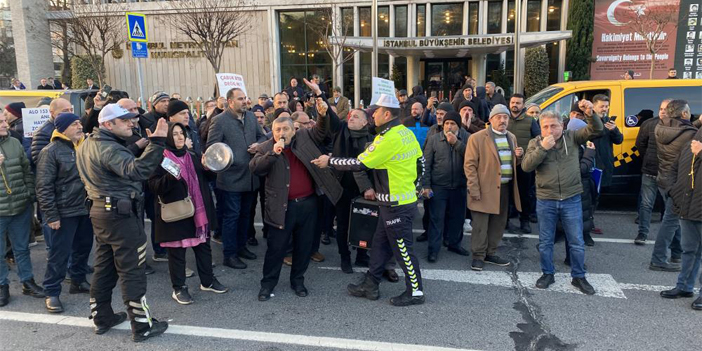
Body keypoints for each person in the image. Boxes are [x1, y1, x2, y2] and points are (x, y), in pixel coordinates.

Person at [311, 93, 426, 307]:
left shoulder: (388, 139)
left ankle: (416, 291)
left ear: (387, 113)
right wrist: (416, 187)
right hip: (396, 202)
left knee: (403, 250)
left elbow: (359, 163)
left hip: (395, 205)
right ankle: (371, 283)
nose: (373, 116)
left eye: (376, 112)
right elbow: (421, 162)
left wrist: (330, 161)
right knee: (380, 245)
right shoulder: (405, 133)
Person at [76, 104, 169, 341]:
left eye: (132, 119)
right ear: (108, 124)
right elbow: (136, 170)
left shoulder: (90, 143)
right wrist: (158, 142)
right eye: (125, 120)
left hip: (101, 212)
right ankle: (142, 326)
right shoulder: (108, 148)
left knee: (105, 266)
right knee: (132, 270)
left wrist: (139, 145)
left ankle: (102, 317)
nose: (132, 123)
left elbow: (114, 158)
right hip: (120, 215)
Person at [250, 82, 342, 301]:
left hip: (308, 205)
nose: (282, 133)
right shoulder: (266, 147)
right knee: (276, 250)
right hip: (281, 207)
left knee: (303, 248)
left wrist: (321, 108)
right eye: (278, 130)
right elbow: (255, 168)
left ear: (294, 129)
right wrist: (272, 153)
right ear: (272, 132)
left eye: (286, 129)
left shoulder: (304, 138)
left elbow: (321, 128)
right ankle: (267, 284)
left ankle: (297, 281)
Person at [521, 101, 603, 296]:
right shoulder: (536, 142)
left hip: (571, 198)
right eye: (546, 126)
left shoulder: (573, 138)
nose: (550, 130)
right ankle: (547, 273)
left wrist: (590, 113)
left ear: (562, 125)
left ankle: (579, 276)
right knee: (546, 240)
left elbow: (596, 129)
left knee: (576, 240)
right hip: (546, 199)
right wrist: (543, 148)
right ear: (541, 128)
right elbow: (526, 166)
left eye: (554, 126)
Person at [149, 123, 228, 305]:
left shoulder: (192, 155)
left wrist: (209, 169)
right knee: (177, 253)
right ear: (168, 137)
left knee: (203, 247)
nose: (179, 137)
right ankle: (179, 288)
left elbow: (207, 179)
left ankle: (208, 281)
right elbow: (153, 186)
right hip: (176, 212)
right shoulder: (159, 158)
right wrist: (170, 178)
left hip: (198, 211)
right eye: (174, 134)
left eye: (181, 133)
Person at [36, 113, 93, 313]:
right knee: (59, 254)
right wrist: (51, 216)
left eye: (79, 123)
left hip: (84, 209)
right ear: (62, 129)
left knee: (83, 248)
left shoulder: (84, 146)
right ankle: (51, 291)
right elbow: (43, 186)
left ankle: (77, 281)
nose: (79, 126)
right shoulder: (50, 151)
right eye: (74, 124)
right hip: (63, 212)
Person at [206, 88, 266, 269]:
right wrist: (229, 159)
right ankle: (229, 254)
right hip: (231, 178)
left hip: (250, 176)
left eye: (245, 98)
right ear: (230, 101)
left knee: (246, 216)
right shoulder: (219, 121)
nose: (245, 101)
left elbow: (262, 135)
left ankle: (241, 248)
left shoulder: (250, 117)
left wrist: (259, 145)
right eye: (240, 99)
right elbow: (212, 148)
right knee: (231, 216)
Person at [465, 105, 522, 271]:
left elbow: (512, 163)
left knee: (498, 223)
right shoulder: (477, 138)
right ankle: (478, 255)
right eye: (499, 117)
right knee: (481, 224)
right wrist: (473, 189)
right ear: (490, 120)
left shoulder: (511, 137)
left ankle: (491, 252)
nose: (503, 120)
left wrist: (519, 157)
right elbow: (469, 165)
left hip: (504, 187)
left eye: (505, 117)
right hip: (483, 188)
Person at [327, 108, 381, 273]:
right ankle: (345, 257)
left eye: (356, 116)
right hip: (342, 188)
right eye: (350, 115)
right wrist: (319, 95)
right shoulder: (340, 132)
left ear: (365, 122)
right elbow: (330, 116)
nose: (351, 118)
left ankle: (362, 255)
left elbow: (373, 167)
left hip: (364, 191)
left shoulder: (373, 140)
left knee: (365, 223)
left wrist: (369, 187)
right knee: (343, 224)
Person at [0, 110, 45, 308]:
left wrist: (29, 194)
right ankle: (2, 286)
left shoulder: (14, 142)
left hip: (20, 207)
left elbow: (26, 170)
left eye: (4, 120)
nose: (5, 124)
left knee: (21, 248)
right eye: (0, 122)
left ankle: (27, 281)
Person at [650, 100, 697, 272]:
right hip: (679, 183)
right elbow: (689, 134)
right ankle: (658, 259)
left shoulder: (660, 127)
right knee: (670, 221)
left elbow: (682, 130)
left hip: (664, 178)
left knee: (674, 219)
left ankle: (676, 252)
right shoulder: (690, 134)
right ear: (684, 114)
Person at [661, 128, 702, 308]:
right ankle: (684, 286)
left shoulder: (696, 147)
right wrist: (672, 190)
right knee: (689, 250)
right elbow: (673, 169)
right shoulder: (689, 144)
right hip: (686, 205)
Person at [422, 111, 470, 263]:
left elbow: (471, 157)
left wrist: (456, 143)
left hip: (459, 185)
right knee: (437, 219)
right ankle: (433, 250)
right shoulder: (434, 139)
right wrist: (426, 185)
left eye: (453, 124)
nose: (449, 126)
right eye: (447, 123)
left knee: (457, 218)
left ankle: (454, 244)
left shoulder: (467, 138)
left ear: (458, 126)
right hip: (439, 186)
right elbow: (426, 164)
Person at [634, 99, 671, 245]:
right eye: (661, 108)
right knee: (646, 204)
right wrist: (648, 158)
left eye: (666, 109)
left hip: (668, 173)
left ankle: (669, 238)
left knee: (670, 206)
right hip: (650, 170)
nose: (662, 111)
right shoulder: (649, 123)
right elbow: (640, 144)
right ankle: (642, 234)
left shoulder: (678, 125)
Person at [506, 94, 540, 233]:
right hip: (505, 163)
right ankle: (505, 221)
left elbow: (537, 140)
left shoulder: (530, 120)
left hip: (524, 164)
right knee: (506, 193)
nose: (515, 105)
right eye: (513, 102)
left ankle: (524, 221)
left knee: (524, 194)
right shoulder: (503, 119)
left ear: (523, 105)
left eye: (518, 103)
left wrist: (526, 154)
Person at [589, 94, 623, 235]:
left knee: (596, 196)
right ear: (594, 106)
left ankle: (589, 222)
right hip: (592, 164)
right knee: (589, 196)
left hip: (605, 164)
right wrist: (604, 129)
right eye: (602, 106)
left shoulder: (609, 121)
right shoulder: (588, 121)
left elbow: (619, 140)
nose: (605, 109)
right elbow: (588, 136)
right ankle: (587, 224)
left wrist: (614, 130)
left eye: (606, 106)